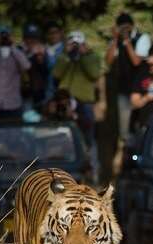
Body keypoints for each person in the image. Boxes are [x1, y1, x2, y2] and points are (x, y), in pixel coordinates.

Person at [53, 31, 102, 183]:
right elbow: (56, 74)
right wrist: (67, 55)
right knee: (63, 136)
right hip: (65, 101)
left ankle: (91, 172)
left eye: (77, 44)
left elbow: (94, 74)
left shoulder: (92, 57)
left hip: (84, 103)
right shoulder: (63, 57)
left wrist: (83, 56)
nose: (74, 47)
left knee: (88, 137)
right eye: (72, 43)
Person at [105, 12, 151, 141]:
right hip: (123, 88)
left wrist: (127, 42)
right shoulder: (116, 41)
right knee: (124, 128)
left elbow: (136, 61)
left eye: (127, 27)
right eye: (122, 28)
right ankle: (126, 149)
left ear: (132, 26)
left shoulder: (142, 38)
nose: (124, 30)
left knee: (141, 123)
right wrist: (115, 39)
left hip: (140, 88)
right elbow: (108, 61)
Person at [20, 23, 48, 111]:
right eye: (29, 37)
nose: (31, 41)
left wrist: (41, 59)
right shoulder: (18, 51)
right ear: (24, 38)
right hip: (20, 94)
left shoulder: (44, 52)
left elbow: (47, 73)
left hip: (39, 94)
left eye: (35, 38)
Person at [44, 22, 65, 101]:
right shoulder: (43, 50)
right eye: (50, 33)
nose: (53, 35)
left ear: (60, 33)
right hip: (47, 92)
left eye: (55, 32)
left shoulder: (66, 50)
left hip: (63, 92)